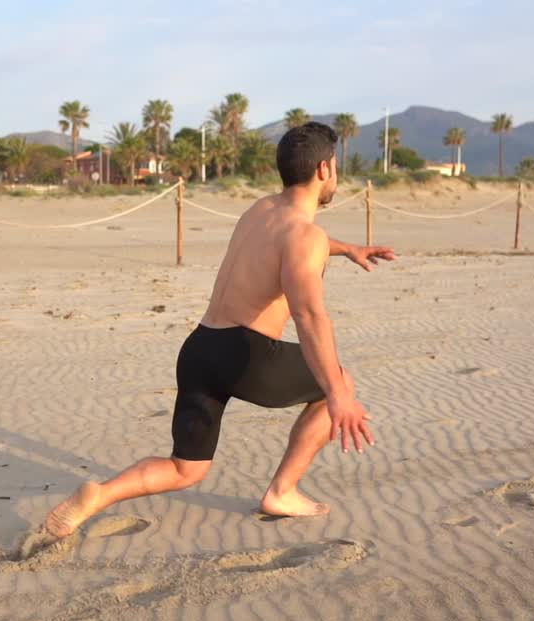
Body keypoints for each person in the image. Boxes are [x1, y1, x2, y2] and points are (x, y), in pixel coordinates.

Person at [42, 121, 395, 540]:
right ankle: (282, 492)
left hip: (200, 348)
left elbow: (294, 241)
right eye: (336, 165)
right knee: (339, 381)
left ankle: (99, 495)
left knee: (185, 468)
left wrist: (347, 248)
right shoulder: (305, 236)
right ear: (324, 170)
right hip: (245, 355)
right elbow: (310, 317)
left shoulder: (261, 211)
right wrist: (338, 394)